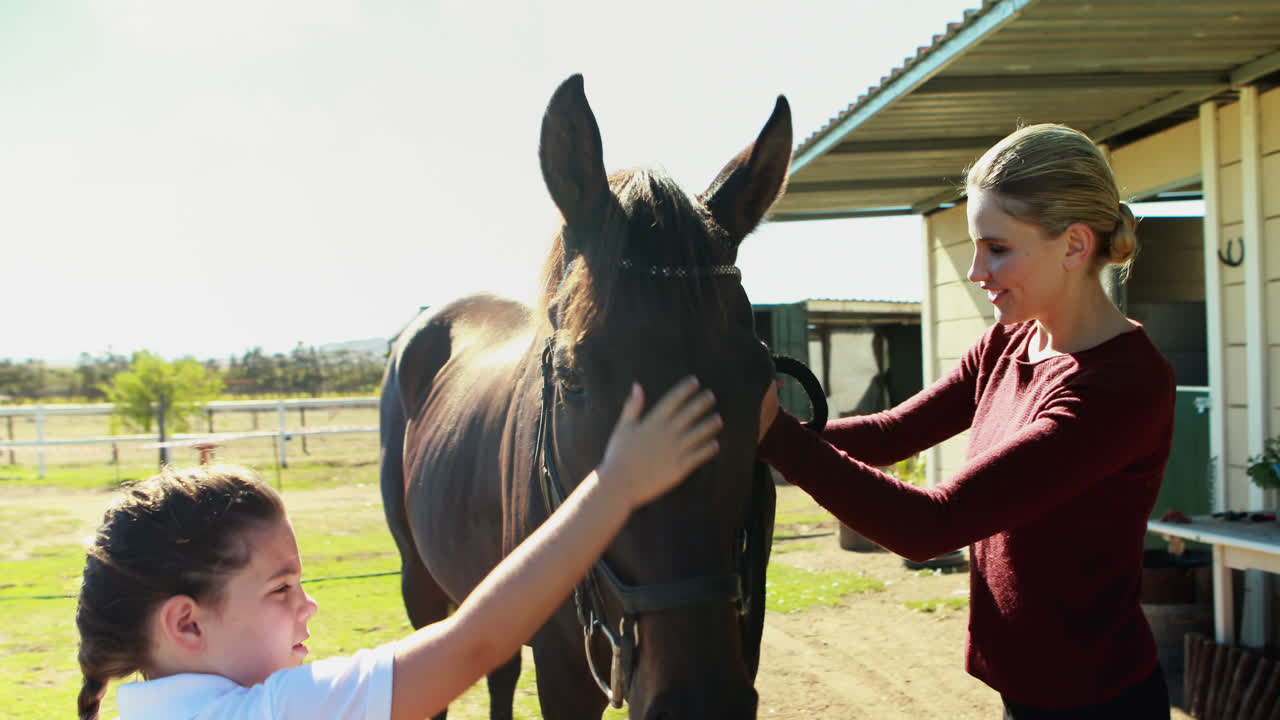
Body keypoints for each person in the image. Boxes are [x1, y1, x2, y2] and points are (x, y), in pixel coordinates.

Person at [757, 123, 1176, 719]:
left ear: (1075, 245)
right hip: (1028, 691)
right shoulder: (1008, 343)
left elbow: (933, 525)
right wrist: (756, 434)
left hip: (1098, 701)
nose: (977, 270)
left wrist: (775, 440)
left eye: (998, 248)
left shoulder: (1120, 386)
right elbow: (891, 433)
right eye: (976, 244)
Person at [75, 377, 721, 720]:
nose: (310, 606)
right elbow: (474, 642)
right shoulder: (278, 712)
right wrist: (615, 486)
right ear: (186, 621)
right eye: (281, 589)